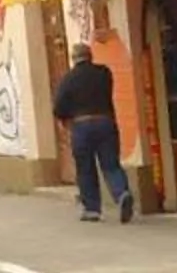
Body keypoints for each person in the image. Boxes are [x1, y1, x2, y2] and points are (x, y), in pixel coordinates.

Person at [52, 43, 135, 224]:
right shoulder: (104, 73)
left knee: (85, 167)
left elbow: (59, 106)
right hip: (105, 122)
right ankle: (122, 193)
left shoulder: (68, 79)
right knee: (111, 164)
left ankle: (92, 209)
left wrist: (65, 119)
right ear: (90, 56)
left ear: (74, 58)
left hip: (81, 125)